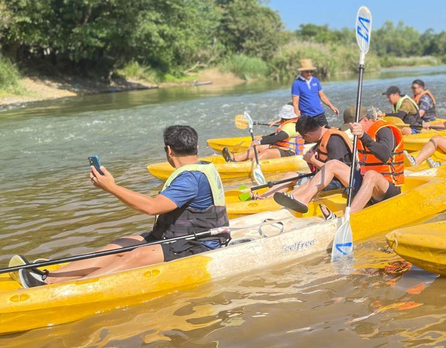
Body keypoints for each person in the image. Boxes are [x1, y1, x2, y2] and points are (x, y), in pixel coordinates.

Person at [12, 126, 230, 288]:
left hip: (198, 243)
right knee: (120, 245)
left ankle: (70, 290)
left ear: (169, 150)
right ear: (197, 147)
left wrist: (111, 187)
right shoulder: (199, 168)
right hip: (176, 236)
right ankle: (47, 278)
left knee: (135, 256)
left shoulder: (190, 178)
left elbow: (152, 208)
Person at [273, 108, 403, 214]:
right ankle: (303, 199)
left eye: (354, 125)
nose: (351, 129)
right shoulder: (359, 134)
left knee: (371, 175)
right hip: (364, 184)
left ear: (365, 120)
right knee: (332, 164)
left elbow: (385, 155)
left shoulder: (384, 130)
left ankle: (348, 218)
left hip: (387, 188)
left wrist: (364, 136)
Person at [223, 105, 304, 162]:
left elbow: (277, 138)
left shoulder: (291, 126)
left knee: (267, 152)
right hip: (281, 147)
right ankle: (235, 158)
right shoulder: (287, 124)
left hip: (290, 153)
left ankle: (249, 163)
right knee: (257, 148)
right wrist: (262, 138)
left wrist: (259, 142)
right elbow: (275, 135)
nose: (280, 119)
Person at [291, 58, 339, 127]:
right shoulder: (297, 84)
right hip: (308, 116)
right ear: (302, 71)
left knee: (326, 132)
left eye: (311, 71)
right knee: (312, 135)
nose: (309, 73)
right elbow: (295, 102)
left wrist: (331, 106)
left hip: (320, 113)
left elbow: (322, 96)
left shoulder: (315, 80)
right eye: (307, 71)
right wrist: (297, 115)